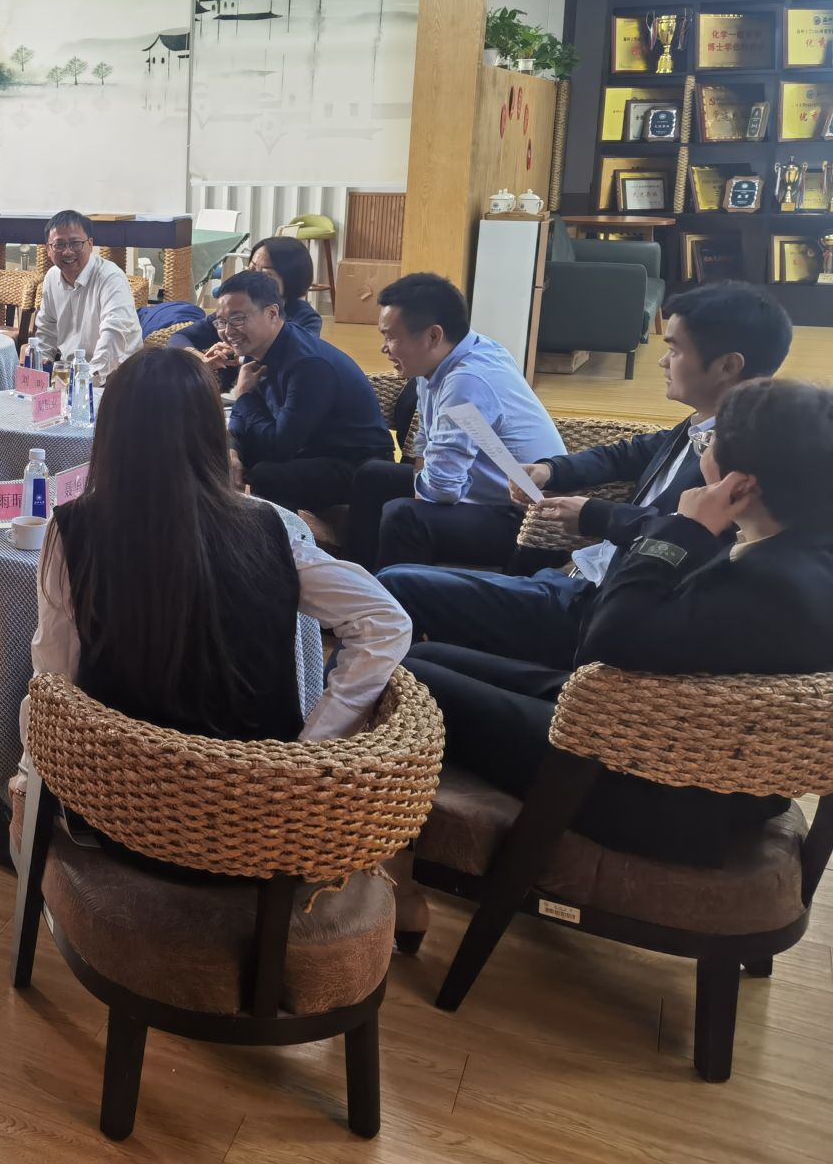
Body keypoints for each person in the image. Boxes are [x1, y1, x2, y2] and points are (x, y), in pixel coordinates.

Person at [402, 378, 833, 869]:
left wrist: (684, 528)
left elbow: (604, 644)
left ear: (741, 485)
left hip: (645, 782)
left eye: (709, 441)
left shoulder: (773, 584)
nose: (702, 447)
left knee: (403, 677)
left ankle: (364, 830)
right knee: (422, 657)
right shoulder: (796, 549)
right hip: (654, 725)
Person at [16, 345, 409, 792]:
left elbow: (54, 674)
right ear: (211, 431)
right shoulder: (270, 526)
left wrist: (30, 776)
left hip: (119, 795)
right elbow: (384, 620)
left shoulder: (72, 529)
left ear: (110, 433)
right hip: (254, 800)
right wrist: (314, 745)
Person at [376, 282, 793, 667]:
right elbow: (628, 453)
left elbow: (694, 538)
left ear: (727, 366)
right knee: (414, 593)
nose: (663, 361)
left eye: (675, 350)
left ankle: (395, 687)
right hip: (579, 578)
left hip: (597, 607)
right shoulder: (703, 423)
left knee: (398, 584)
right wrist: (551, 469)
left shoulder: (741, 460)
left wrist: (594, 515)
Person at [346, 273, 564, 570]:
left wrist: (420, 501)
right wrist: (423, 490)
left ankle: (398, 595)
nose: (384, 348)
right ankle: (357, 578)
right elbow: (426, 444)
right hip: (481, 492)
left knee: (404, 517)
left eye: (391, 337)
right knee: (373, 476)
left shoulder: (467, 380)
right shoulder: (441, 360)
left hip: (528, 523)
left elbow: (443, 489)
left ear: (433, 336)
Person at [216, 270, 394, 514]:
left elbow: (279, 448)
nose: (227, 331)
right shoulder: (256, 347)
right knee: (219, 455)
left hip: (356, 463)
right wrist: (233, 449)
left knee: (266, 473)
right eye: (221, 322)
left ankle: (285, 536)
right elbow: (243, 416)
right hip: (309, 446)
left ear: (272, 314)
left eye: (237, 319)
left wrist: (244, 394)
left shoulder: (308, 364)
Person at [173, 235, 322, 369]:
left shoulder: (306, 318)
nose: (253, 278)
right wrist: (201, 358)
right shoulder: (232, 312)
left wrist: (238, 355)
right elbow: (179, 338)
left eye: (266, 274)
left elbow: (292, 358)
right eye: (251, 269)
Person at [28, 209, 140, 382]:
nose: (67, 252)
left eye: (75, 243)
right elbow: (47, 327)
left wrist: (84, 381)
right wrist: (41, 363)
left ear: (90, 244)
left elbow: (114, 335)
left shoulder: (110, 278)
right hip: (70, 373)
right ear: (48, 249)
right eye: (59, 245)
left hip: (116, 375)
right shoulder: (52, 277)